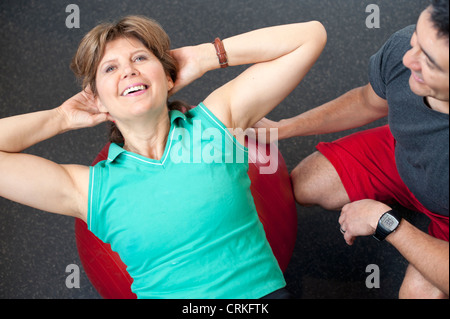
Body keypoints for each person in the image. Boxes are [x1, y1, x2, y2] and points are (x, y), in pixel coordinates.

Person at [0, 16, 326, 298]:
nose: (128, 71)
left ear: (169, 78)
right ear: (97, 101)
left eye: (140, 59)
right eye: (110, 68)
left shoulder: (215, 123)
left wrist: (204, 57)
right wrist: (62, 118)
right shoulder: (89, 188)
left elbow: (310, 37)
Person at [256, 0, 448, 298]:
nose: (409, 59)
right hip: (406, 153)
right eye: (416, 41)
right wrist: (283, 127)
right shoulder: (406, 52)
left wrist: (387, 223)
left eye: (430, 62)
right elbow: (366, 101)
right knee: (306, 184)